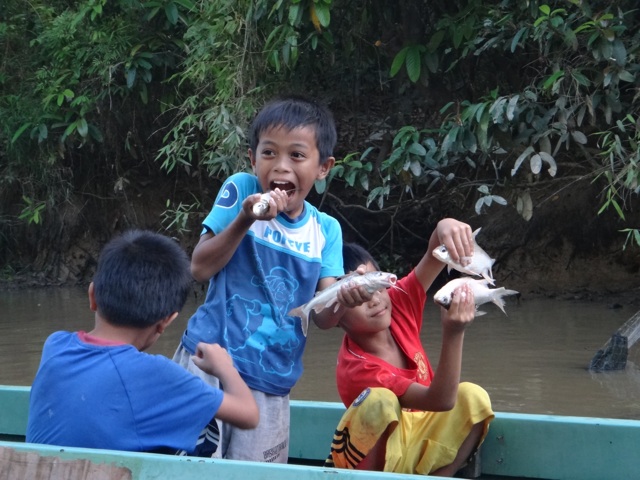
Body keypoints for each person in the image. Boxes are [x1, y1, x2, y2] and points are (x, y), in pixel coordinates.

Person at [173, 95, 360, 463]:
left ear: (323, 167)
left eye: (297, 156)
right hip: (207, 363)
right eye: (270, 153)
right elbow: (199, 267)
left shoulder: (326, 231)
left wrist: (345, 299)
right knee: (189, 468)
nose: (281, 166)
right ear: (252, 159)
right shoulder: (242, 189)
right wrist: (245, 220)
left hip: (272, 383)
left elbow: (322, 317)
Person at [26, 230, 259, 455]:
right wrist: (224, 367)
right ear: (166, 321)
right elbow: (249, 414)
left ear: (92, 296)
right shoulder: (157, 374)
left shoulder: (55, 346)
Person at [325, 219, 495, 477]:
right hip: (381, 461)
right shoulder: (357, 369)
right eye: (359, 295)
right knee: (379, 402)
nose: (374, 299)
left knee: (473, 397)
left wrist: (444, 226)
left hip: (416, 440)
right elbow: (441, 400)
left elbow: (434, 253)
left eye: (375, 284)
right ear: (334, 316)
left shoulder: (398, 302)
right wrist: (453, 332)